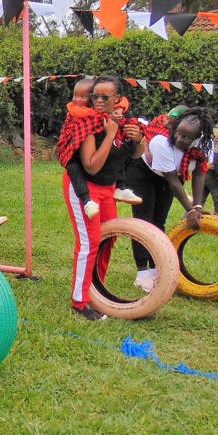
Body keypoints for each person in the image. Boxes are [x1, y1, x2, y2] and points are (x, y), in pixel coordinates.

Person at [61, 76, 146, 320]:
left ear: (117, 100)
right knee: (89, 243)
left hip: (107, 189)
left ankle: (96, 290)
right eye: (94, 96)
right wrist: (110, 134)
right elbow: (91, 166)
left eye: (103, 97)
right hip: (84, 188)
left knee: (108, 239)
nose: (96, 101)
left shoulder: (123, 119)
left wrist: (137, 138)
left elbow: (136, 155)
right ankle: (79, 302)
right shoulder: (88, 123)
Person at [126, 107, 215, 292]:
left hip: (171, 175)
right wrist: (190, 210)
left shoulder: (206, 143)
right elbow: (173, 182)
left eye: (187, 138)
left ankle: (157, 268)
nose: (180, 139)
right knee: (144, 221)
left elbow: (200, 173)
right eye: (179, 134)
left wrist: (197, 206)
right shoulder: (161, 141)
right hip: (144, 173)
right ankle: (142, 273)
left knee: (159, 221)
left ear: (198, 138)